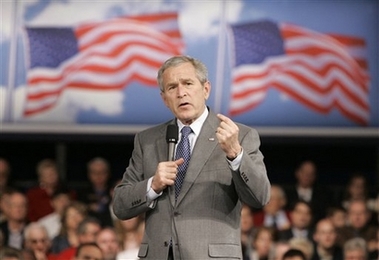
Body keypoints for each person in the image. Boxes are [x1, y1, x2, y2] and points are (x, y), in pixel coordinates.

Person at [113, 55, 271, 259]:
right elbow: (120, 205)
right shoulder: (147, 141)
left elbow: (260, 197)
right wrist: (153, 185)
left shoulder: (239, 135)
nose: (181, 93)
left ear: (206, 89)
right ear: (164, 98)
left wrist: (236, 154)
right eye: (172, 87)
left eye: (188, 83)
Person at [285, 160, 331, 224]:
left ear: (315, 176)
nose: (307, 176)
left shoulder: (323, 195)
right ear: (297, 173)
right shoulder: (287, 194)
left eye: (311, 173)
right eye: (304, 172)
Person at [78, 157, 113, 227]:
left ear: (108, 174)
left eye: (102, 172)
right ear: (89, 174)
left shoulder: (113, 191)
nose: (98, 176)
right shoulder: (82, 194)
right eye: (95, 173)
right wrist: (88, 207)